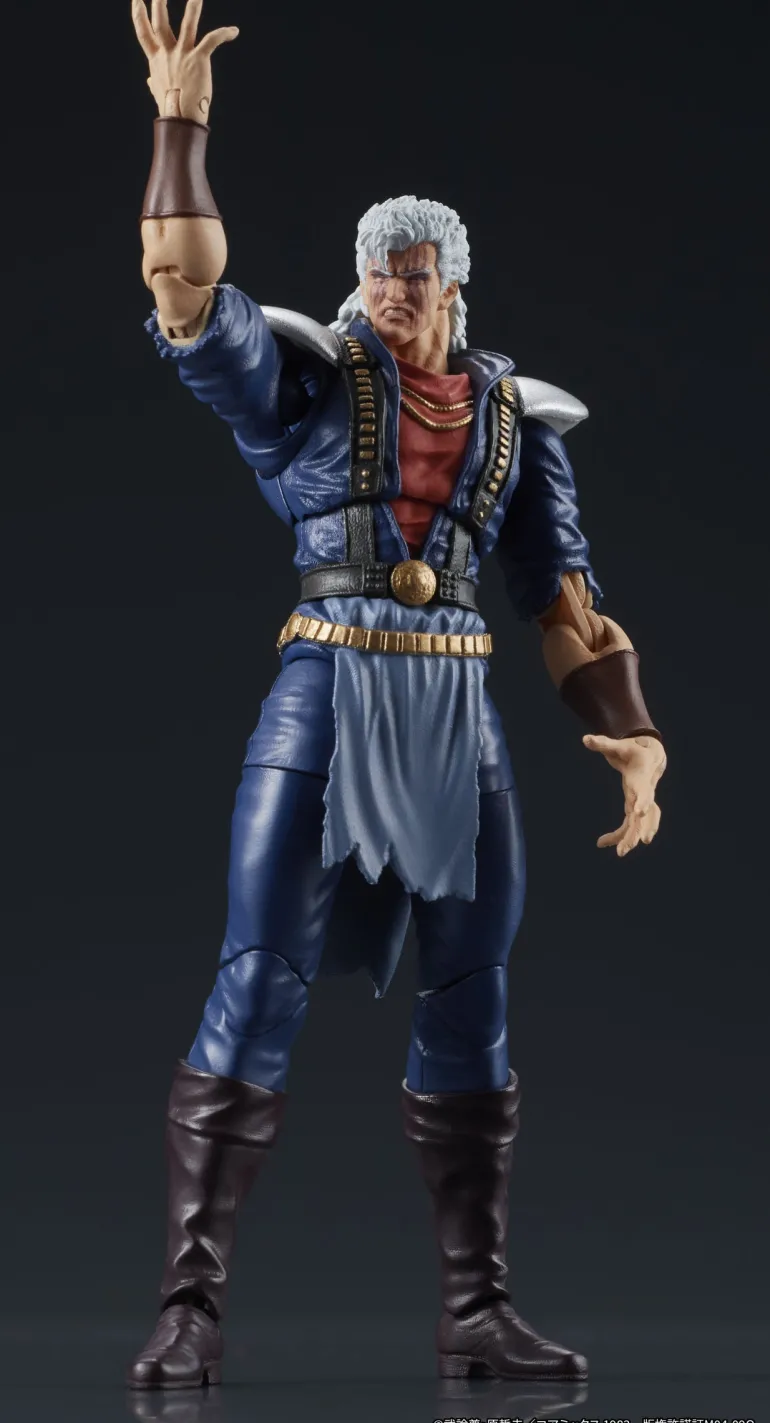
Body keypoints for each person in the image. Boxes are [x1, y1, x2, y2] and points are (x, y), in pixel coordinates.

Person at [127, 0, 667, 1392]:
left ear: (452, 286)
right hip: (325, 688)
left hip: (455, 717)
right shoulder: (309, 386)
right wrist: (179, 128)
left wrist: (630, 736)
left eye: (412, 276)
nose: (388, 293)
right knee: (258, 974)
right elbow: (184, 295)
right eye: (375, 273)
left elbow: (565, 601)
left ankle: (476, 1310)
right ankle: (188, 1304)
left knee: (472, 989)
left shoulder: (513, 420)